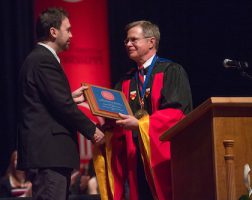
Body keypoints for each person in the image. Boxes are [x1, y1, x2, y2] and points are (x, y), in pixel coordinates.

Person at [17, 7, 105, 200]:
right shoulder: (43, 60)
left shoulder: (40, 59)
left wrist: (69, 98)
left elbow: (46, 100)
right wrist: (93, 131)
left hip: (49, 155)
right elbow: (62, 105)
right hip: (49, 155)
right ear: (53, 32)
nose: (72, 35)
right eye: (68, 29)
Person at [109, 20, 193, 200]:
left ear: (151, 42)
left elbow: (176, 114)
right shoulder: (125, 81)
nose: (128, 44)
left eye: (133, 40)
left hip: (163, 156)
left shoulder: (171, 71)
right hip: (135, 157)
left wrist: (140, 125)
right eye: (126, 41)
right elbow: (114, 115)